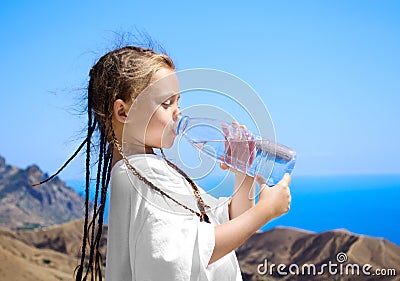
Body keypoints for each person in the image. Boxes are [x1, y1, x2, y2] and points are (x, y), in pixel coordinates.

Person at [35, 44, 291, 281]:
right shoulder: (137, 176)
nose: (178, 112)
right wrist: (265, 212)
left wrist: (244, 172)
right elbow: (180, 257)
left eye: (178, 101)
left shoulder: (153, 171)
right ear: (123, 111)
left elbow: (229, 228)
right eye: (166, 103)